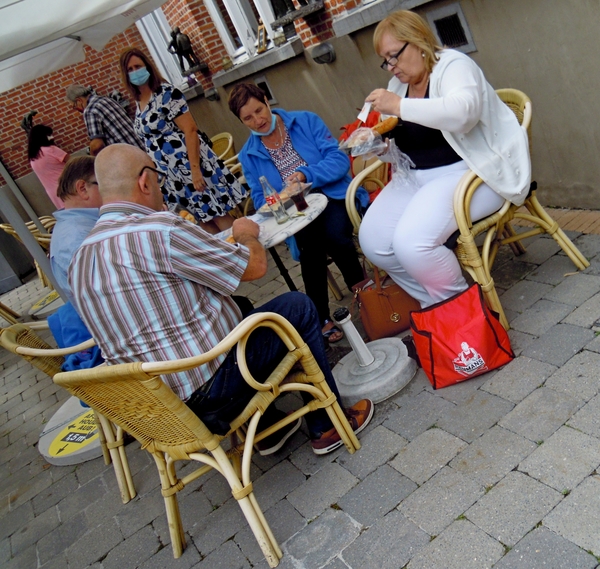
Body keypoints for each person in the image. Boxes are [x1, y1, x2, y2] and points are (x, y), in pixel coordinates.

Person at [69, 144, 373, 456]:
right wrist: (244, 234)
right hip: (210, 392)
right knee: (297, 306)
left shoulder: (79, 260)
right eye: (158, 177)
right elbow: (254, 267)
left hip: (161, 411)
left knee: (240, 306)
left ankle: (267, 428)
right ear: (145, 182)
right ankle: (328, 425)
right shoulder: (160, 229)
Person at [359, 10, 531, 308]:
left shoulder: (453, 66)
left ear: (418, 41)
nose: (390, 67)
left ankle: (463, 312)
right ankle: (437, 305)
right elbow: (399, 148)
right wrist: (374, 145)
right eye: (385, 60)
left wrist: (400, 106)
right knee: (373, 242)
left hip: (473, 172)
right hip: (416, 177)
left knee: (411, 243)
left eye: (394, 56)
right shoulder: (398, 87)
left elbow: (462, 114)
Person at [228, 83, 368, 343]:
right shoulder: (248, 154)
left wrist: (306, 174)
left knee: (333, 237)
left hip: (332, 194)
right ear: (240, 120)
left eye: (259, 110)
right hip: (295, 211)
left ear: (267, 101)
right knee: (310, 245)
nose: (257, 120)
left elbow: (339, 161)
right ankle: (338, 308)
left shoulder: (305, 121)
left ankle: (356, 300)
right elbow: (260, 199)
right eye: (247, 118)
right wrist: (278, 197)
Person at [119, 47, 245, 234]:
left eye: (137, 66)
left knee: (216, 213)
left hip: (189, 166)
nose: (134, 72)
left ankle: (246, 251)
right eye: (129, 69)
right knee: (201, 222)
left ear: (147, 66)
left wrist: (195, 170)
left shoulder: (166, 93)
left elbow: (190, 129)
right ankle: (226, 258)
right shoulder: (138, 103)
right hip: (171, 177)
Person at [50, 156, 101, 304]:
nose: (112, 190)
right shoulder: (77, 236)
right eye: (106, 184)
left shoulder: (78, 226)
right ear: (83, 189)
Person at [65, 84, 144, 156]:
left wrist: (92, 160)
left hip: (129, 155)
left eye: (74, 106)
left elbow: (97, 145)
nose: (77, 109)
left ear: (79, 100)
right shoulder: (106, 99)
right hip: (142, 146)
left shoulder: (90, 110)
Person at [27, 124, 69, 210]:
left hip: (55, 195)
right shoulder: (51, 150)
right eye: (49, 135)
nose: (52, 137)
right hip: (69, 188)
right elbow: (75, 163)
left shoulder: (33, 158)